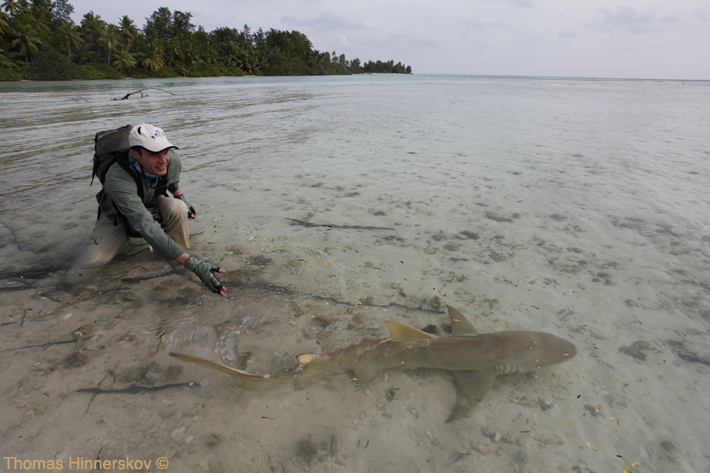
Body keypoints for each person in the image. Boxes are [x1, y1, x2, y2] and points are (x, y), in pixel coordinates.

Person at [75, 123, 226, 296]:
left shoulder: (172, 160)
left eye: (165, 152)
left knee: (179, 208)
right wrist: (194, 264)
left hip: (151, 202)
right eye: (154, 155)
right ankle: (186, 260)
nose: (163, 160)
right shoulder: (117, 177)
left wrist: (181, 198)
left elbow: (171, 182)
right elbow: (144, 223)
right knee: (79, 275)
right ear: (135, 154)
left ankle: (178, 256)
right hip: (118, 217)